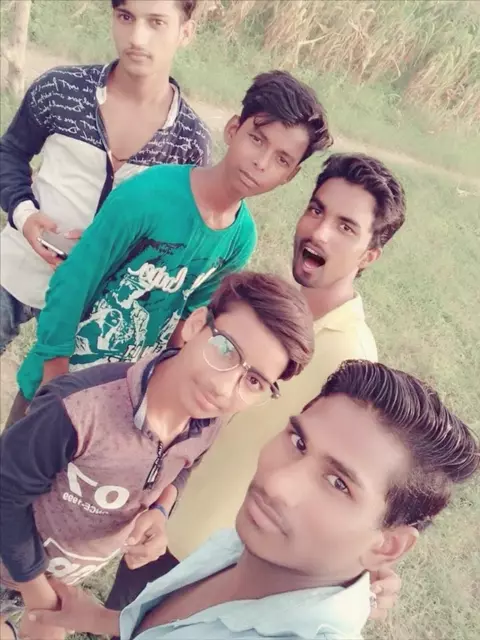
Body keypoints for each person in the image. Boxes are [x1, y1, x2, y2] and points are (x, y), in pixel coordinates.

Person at [113, 152, 406, 605]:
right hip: (161, 513)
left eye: (346, 227)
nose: (319, 232)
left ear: (370, 254)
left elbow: (350, 490)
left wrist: (368, 573)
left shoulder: (352, 361)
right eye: (317, 210)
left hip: (216, 563)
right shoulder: (268, 310)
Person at [22, 360, 479, 640]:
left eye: (338, 484)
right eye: (298, 442)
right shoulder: (250, 544)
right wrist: (98, 619)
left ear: (387, 545)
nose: (278, 484)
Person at [0, 271, 315, 640]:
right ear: (195, 325)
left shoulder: (206, 422)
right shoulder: (79, 410)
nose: (223, 387)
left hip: (52, 581)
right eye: (226, 349)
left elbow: (184, 464)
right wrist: (38, 595)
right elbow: (5, 493)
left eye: (254, 381)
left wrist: (161, 510)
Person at [7, 69, 331, 425]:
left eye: (282, 159)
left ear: (290, 176)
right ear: (233, 129)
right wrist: (54, 380)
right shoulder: (149, 195)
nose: (262, 162)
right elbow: (73, 281)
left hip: (122, 402)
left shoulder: (240, 240)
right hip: (58, 382)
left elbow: (188, 323)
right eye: (257, 139)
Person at [0, 0, 212, 356]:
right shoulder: (61, 89)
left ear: (185, 32)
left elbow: (181, 238)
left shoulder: (189, 142)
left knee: (55, 390)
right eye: (125, 17)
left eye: (156, 23)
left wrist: (117, 253)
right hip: (18, 265)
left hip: (102, 308)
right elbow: (10, 153)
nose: (137, 37)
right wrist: (25, 216)